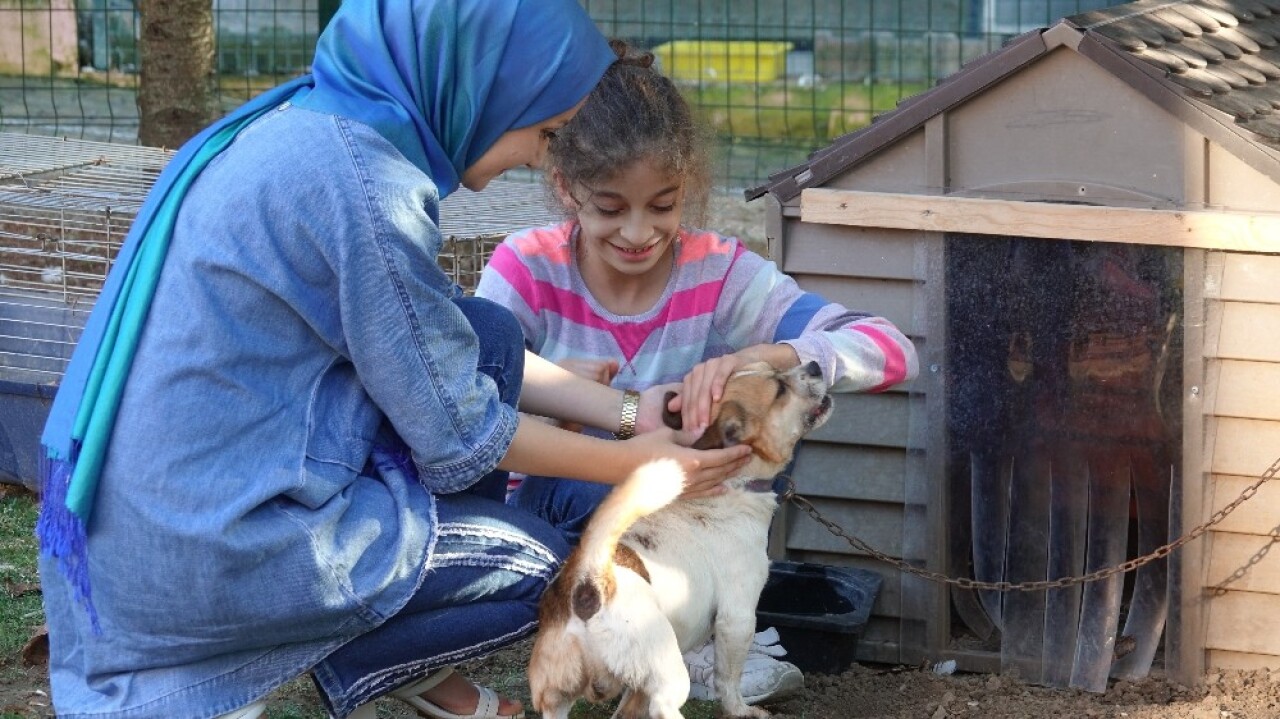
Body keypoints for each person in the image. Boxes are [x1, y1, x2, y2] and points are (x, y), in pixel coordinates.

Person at [33, 4, 753, 719]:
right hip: (220, 552)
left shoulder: (311, 125)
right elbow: (465, 434)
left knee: (491, 337)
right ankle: (341, 646)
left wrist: (629, 409)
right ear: (479, 82)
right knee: (541, 567)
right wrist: (647, 468)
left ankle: (366, 636)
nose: (541, 155)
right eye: (545, 131)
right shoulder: (367, 189)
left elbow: (442, 344)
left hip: (157, 530)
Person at [474, 42, 920, 706]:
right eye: (609, 207)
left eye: (663, 204)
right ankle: (654, 643)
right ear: (566, 189)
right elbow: (460, 402)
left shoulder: (719, 270)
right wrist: (555, 396)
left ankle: (698, 643)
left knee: (768, 421)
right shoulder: (526, 267)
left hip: (686, 534)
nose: (638, 231)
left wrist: (758, 361)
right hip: (557, 529)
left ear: (689, 190)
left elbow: (889, 348)